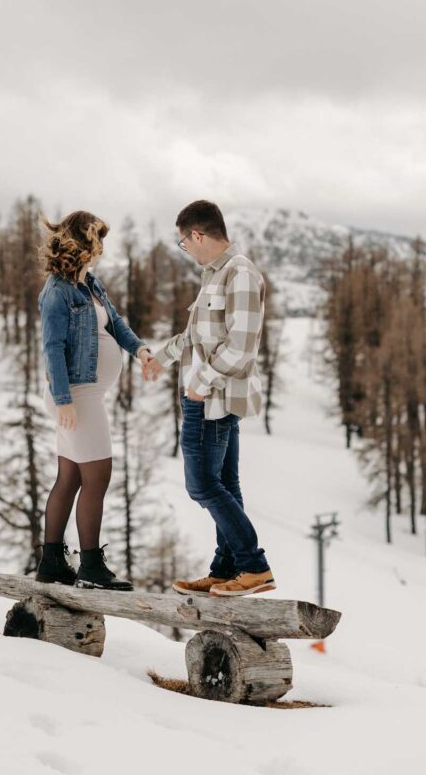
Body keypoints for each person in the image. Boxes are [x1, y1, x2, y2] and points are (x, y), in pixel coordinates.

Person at [142, 199, 275, 597]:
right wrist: (162, 358)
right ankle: (227, 567)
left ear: (197, 234)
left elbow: (242, 347)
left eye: (185, 242)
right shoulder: (213, 276)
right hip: (206, 394)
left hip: (212, 398)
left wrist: (203, 382)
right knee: (225, 485)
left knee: (201, 485)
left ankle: (254, 566)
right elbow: (195, 338)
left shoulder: (241, 275)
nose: (187, 250)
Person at [36, 210, 154, 591]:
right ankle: (90, 565)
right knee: (97, 475)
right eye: (97, 239)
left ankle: (52, 561)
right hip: (75, 394)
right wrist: (63, 400)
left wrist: (141, 351)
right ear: (81, 242)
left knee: (70, 476)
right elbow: (52, 347)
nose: (101, 247)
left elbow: (116, 323)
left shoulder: (90, 284)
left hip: (85, 393)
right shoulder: (57, 291)